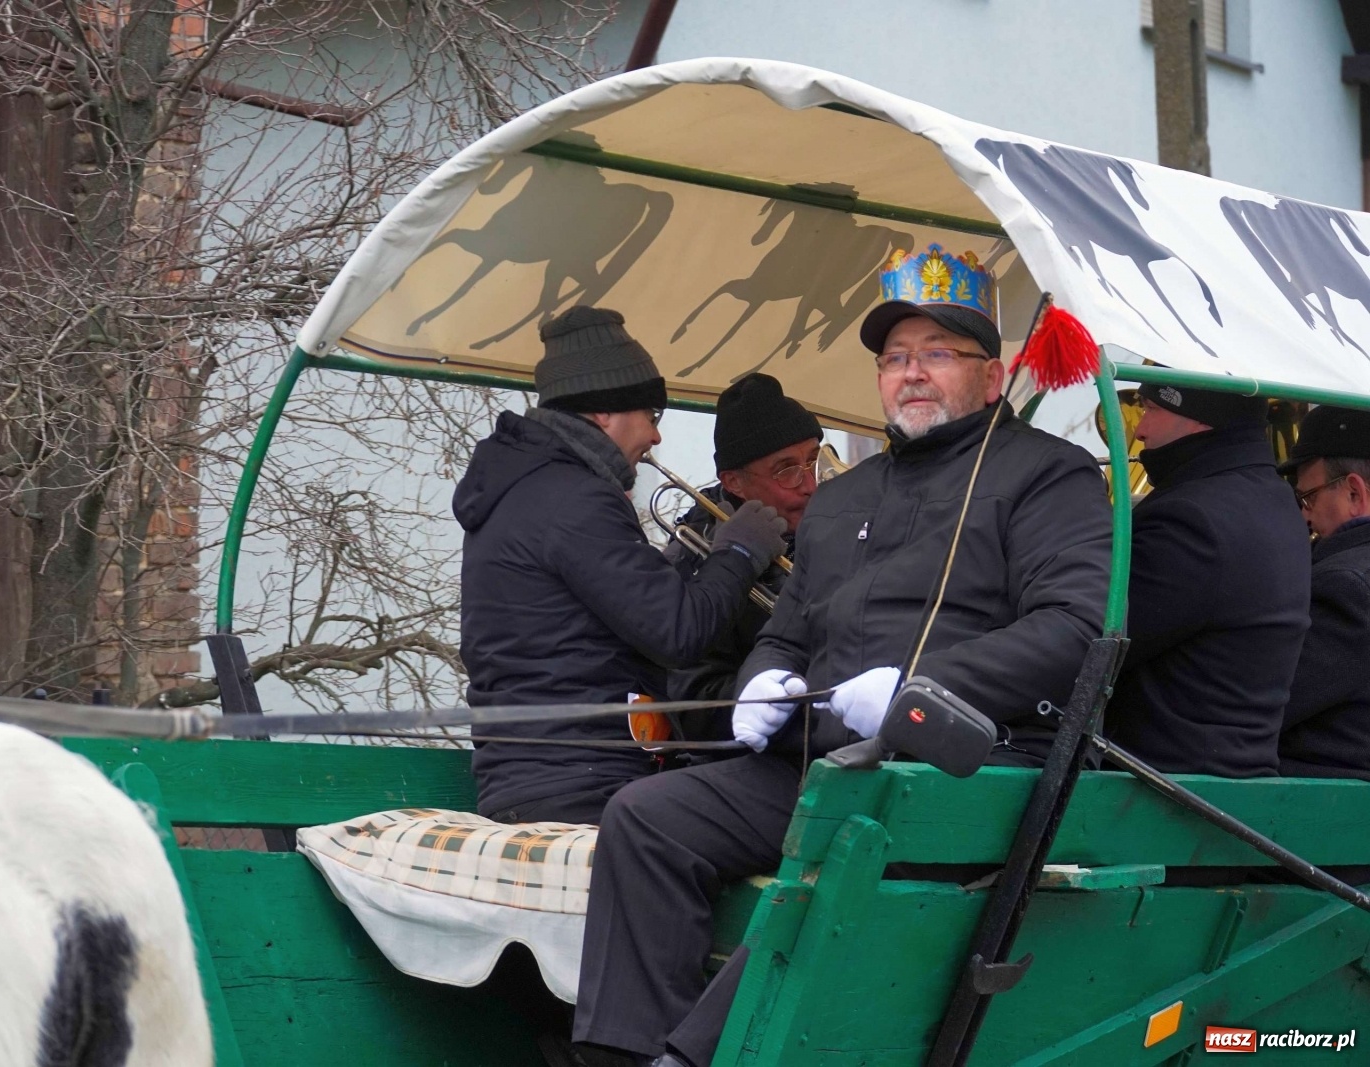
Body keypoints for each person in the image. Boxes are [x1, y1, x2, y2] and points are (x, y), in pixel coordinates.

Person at [568, 246, 1113, 1067]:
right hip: (818, 757)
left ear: (993, 377)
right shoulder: (843, 499)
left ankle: (692, 1058)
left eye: (938, 353)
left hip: (960, 767)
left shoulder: (1050, 477)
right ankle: (620, 1055)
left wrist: (922, 689)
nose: (911, 373)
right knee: (647, 818)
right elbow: (788, 629)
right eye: (895, 358)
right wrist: (764, 682)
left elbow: (1075, 627)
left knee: (843, 831)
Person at [452, 305, 788, 826]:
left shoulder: (525, 490)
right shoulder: (574, 498)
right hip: (581, 780)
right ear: (604, 412)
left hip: (544, 775)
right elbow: (677, 633)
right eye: (651, 417)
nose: (656, 437)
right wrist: (739, 551)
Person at [1101, 385, 1311, 777]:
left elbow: (1097, 642)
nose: (1141, 429)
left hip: (1156, 782)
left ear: (1199, 416)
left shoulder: (1191, 517)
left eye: (1150, 409)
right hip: (1223, 772)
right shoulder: (1274, 499)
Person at [664, 374, 822, 738]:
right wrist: (800, 698)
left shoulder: (834, 524)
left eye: (814, 460)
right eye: (787, 471)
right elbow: (692, 698)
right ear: (733, 482)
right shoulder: (692, 559)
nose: (811, 484)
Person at [1277, 406, 1370, 779]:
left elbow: (1268, 706)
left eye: (1308, 497)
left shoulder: (1346, 587)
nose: (1304, 516)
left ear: (1353, 492)